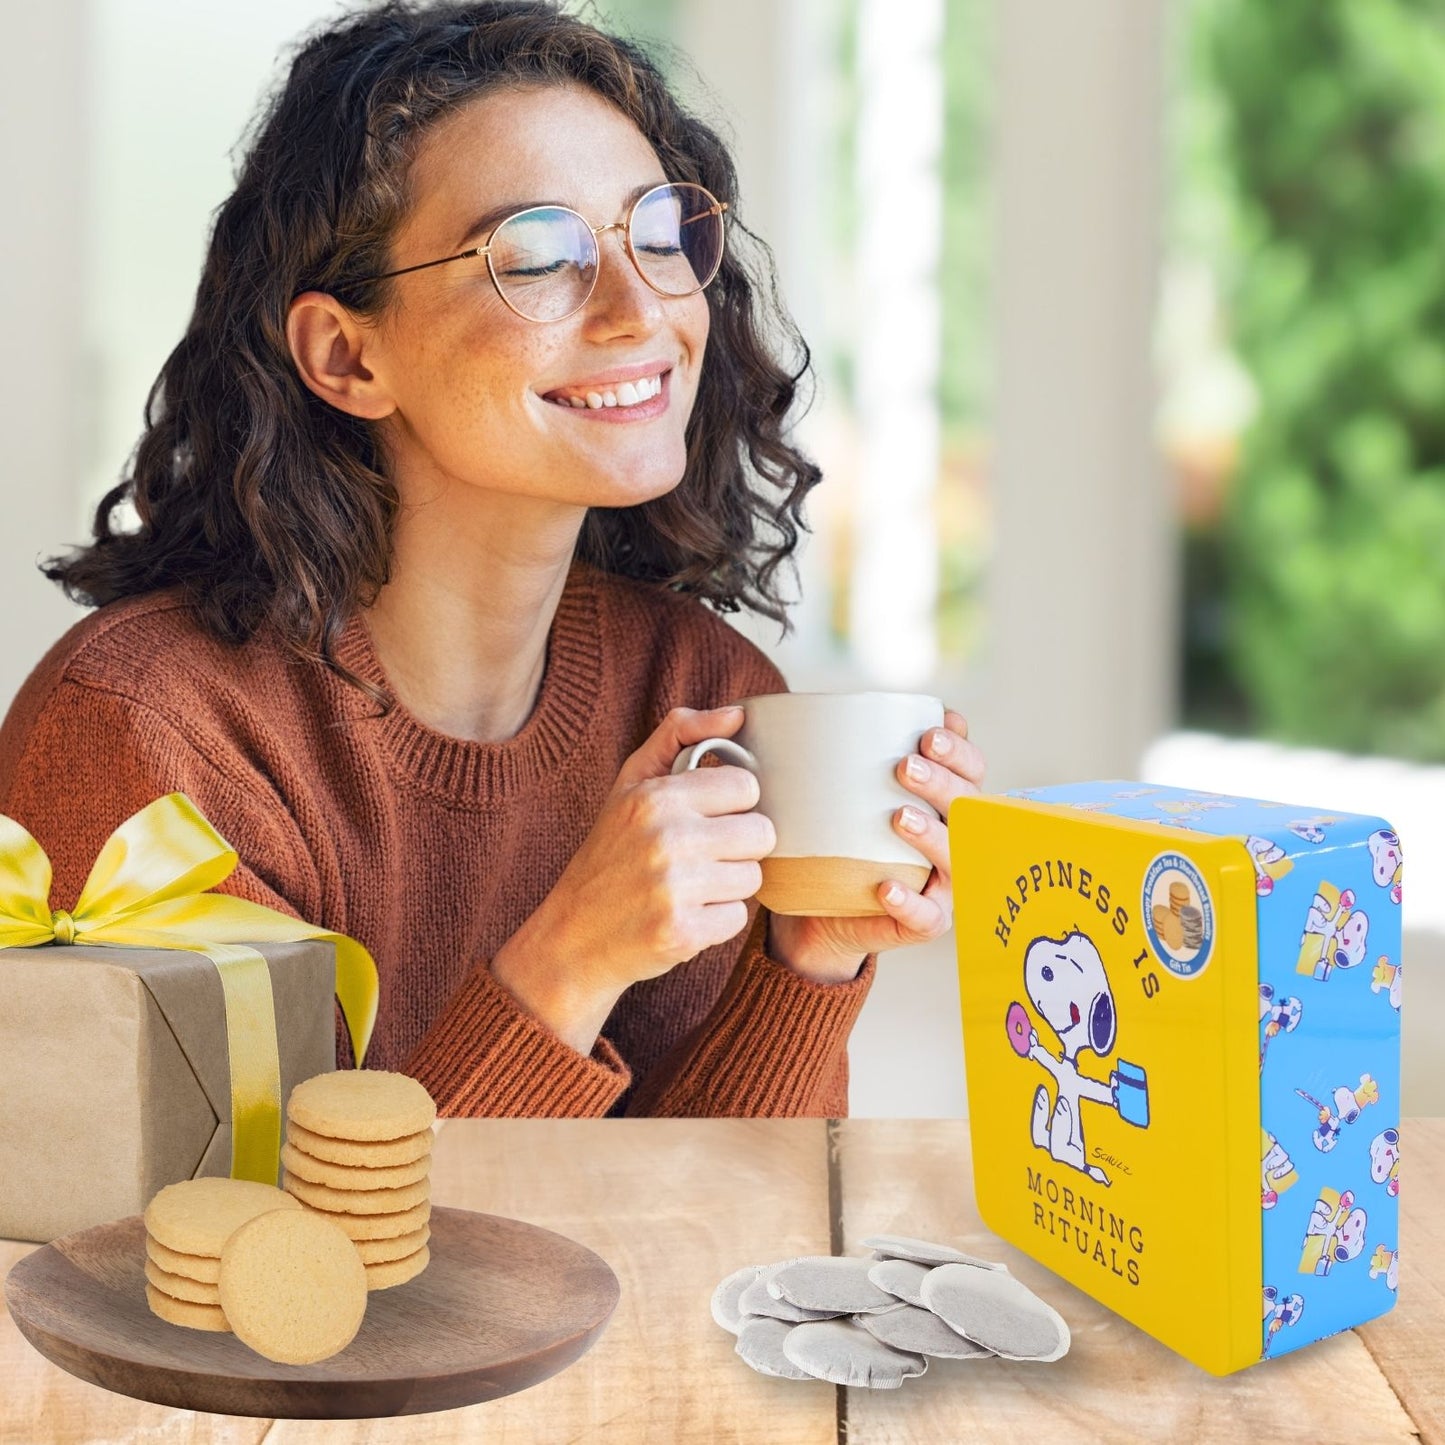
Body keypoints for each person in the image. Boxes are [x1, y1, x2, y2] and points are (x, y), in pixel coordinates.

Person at [0, 0, 985, 1116]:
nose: (639, 309)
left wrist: (805, 962)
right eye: (537, 255)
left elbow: (713, 1243)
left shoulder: (701, 695)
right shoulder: (152, 739)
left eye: (657, 233)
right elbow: (256, 1271)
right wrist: (569, 958)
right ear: (345, 355)